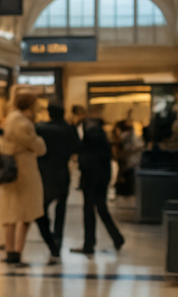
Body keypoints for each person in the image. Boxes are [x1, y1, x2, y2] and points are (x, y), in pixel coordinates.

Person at [0, 92, 48, 268]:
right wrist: (39, 141)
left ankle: (9, 251)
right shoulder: (24, 123)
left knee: (9, 213)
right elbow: (39, 147)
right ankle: (17, 251)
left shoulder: (10, 119)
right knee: (26, 213)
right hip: (25, 171)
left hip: (10, 171)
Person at [73, 117, 125, 255]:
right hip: (101, 179)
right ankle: (116, 238)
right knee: (102, 208)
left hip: (90, 180)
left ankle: (89, 244)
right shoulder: (102, 140)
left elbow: (84, 159)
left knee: (89, 211)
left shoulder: (88, 140)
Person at [35, 103, 80, 262]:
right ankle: (57, 241)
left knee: (41, 209)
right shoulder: (69, 129)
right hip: (62, 171)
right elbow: (76, 147)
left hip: (44, 172)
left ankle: (50, 239)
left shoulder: (40, 128)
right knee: (61, 210)